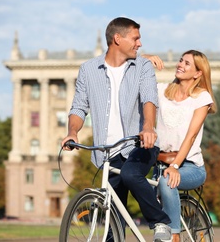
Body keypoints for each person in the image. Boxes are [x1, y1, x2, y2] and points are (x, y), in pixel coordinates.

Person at [61, 17, 172, 242]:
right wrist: (73, 132)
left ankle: (160, 222)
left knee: (131, 174)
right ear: (117, 39)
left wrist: (148, 128)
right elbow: (79, 107)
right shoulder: (88, 70)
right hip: (107, 153)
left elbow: (149, 99)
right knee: (113, 228)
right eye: (136, 38)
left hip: (140, 145)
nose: (140, 43)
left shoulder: (142, 66)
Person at [152, 50, 217, 242]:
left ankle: (174, 235)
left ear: (198, 73)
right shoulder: (162, 91)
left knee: (167, 181)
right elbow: (136, 77)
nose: (180, 64)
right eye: (181, 60)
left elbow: (191, 135)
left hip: (190, 166)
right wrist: (146, 58)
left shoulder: (201, 97)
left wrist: (175, 167)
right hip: (161, 163)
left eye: (187, 63)